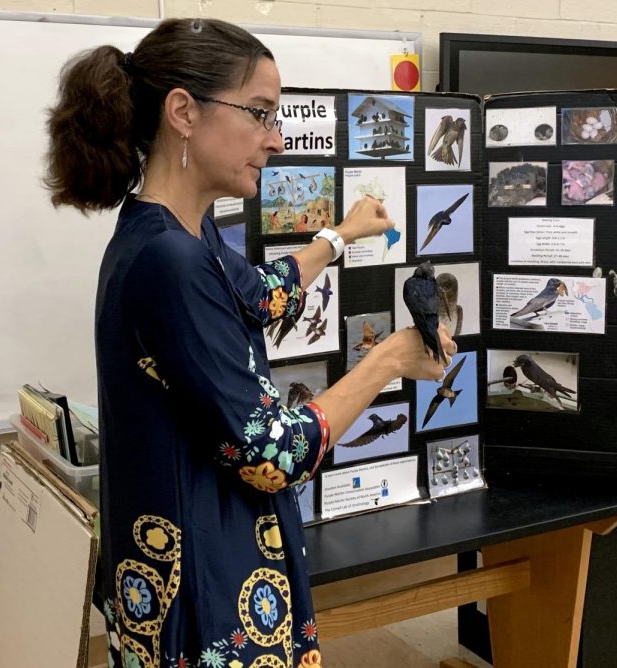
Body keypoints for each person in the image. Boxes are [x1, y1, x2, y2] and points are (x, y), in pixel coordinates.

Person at [44, 18, 455, 668]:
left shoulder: (179, 234)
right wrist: (391, 359)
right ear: (183, 111)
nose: (277, 139)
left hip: (188, 560)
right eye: (260, 114)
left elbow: (262, 294)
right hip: (203, 589)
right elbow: (274, 454)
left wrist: (341, 235)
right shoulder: (170, 262)